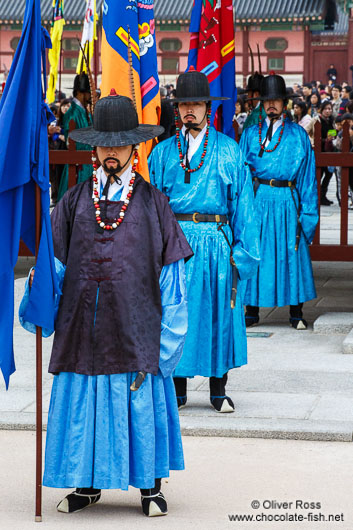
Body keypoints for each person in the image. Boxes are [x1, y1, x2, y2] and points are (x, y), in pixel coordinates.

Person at [20, 92, 193, 515]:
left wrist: (168, 343)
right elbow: (55, 265)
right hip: (82, 327)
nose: (111, 151)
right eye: (104, 143)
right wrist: (39, 294)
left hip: (138, 329)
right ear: (93, 147)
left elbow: (173, 280)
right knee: (84, 402)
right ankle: (86, 483)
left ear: (135, 146)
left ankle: (150, 486)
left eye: (120, 143)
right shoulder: (75, 202)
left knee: (140, 400)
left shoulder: (155, 204)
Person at [148, 69, 260, 413]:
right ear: (177, 110)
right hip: (176, 243)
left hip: (216, 243)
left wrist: (242, 254)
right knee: (175, 312)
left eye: (196, 103)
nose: (190, 110)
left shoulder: (229, 150)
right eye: (184, 105)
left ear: (208, 107)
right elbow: (152, 206)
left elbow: (244, 206)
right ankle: (177, 388)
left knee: (218, 316)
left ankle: (218, 389)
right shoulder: (163, 153)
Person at [240, 73, 319, 330]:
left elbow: (307, 178)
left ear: (285, 103)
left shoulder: (298, 135)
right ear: (261, 103)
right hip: (259, 198)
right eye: (267, 100)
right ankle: (251, 309)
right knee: (256, 250)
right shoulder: (251, 134)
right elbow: (241, 174)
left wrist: (307, 215)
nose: (271, 104)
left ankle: (296, 311)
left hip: (287, 199)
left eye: (276, 100)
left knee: (290, 252)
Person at [57, 73, 93, 201]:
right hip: (78, 164)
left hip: (89, 162)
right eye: (88, 93)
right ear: (79, 93)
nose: (90, 96)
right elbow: (70, 142)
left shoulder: (85, 111)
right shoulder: (72, 113)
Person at [319, 101, 335, 205]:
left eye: (330, 109)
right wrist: (325, 140)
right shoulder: (317, 120)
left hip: (329, 151)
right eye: (326, 109)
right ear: (322, 110)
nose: (328, 111)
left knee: (329, 174)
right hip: (320, 151)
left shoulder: (331, 121)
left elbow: (333, 133)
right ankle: (318, 196)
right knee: (319, 175)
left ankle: (323, 195)